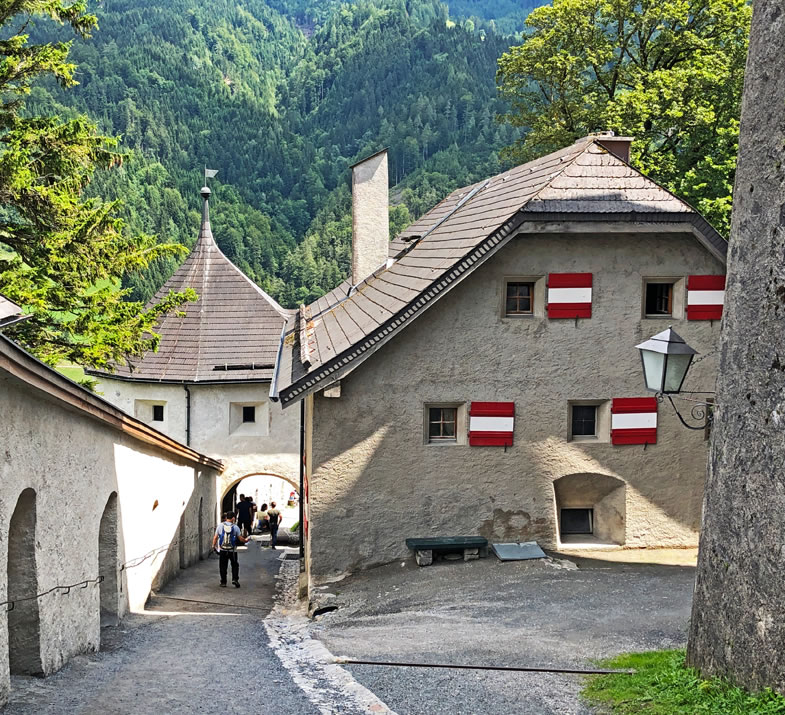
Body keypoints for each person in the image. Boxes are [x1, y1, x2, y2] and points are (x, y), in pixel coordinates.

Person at [212, 512, 250, 588]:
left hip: (223, 550)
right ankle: (235, 579)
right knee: (235, 565)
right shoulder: (235, 527)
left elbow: (215, 537)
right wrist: (246, 540)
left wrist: (213, 546)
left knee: (223, 566)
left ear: (226, 518)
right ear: (233, 518)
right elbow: (240, 538)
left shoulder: (220, 526)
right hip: (232, 551)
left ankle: (223, 582)